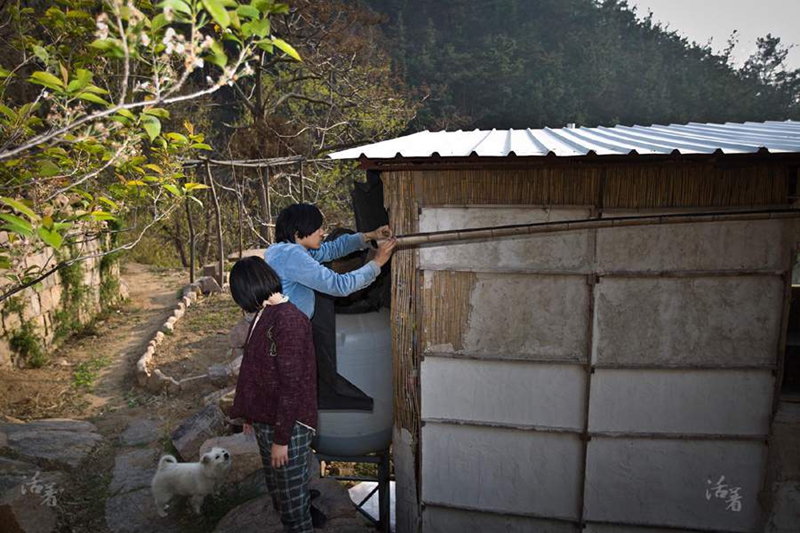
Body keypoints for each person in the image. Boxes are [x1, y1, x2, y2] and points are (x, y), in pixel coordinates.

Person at [228, 257, 317, 533]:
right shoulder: (264, 313)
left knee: (293, 509)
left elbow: (292, 386)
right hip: (270, 419)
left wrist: (281, 440)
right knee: (279, 491)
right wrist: (249, 413)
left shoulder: (288, 321)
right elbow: (254, 370)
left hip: (289, 426)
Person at [265, 203, 396, 320]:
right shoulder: (292, 256)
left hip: (286, 325)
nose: (322, 233)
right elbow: (338, 285)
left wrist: (371, 235)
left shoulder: (284, 251)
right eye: (317, 228)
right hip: (289, 330)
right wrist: (377, 262)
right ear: (297, 233)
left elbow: (333, 249)